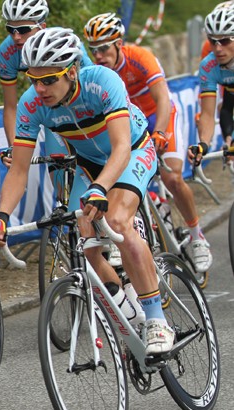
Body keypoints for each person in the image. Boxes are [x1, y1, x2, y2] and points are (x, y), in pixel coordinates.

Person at [0, 27, 174, 355]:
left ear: (72, 72)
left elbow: (120, 148)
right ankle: (129, 316)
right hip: (89, 165)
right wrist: (2, 215)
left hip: (132, 151)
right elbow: (18, 169)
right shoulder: (32, 105)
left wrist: (101, 188)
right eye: (33, 80)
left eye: (49, 80)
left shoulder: (102, 82)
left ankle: (157, 320)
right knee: (84, 245)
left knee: (116, 221)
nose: (39, 89)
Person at [84, 12, 213, 273]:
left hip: (156, 116)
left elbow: (163, 99)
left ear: (119, 43)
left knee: (173, 178)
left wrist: (162, 132)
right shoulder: (94, 73)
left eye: (104, 48)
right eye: (93, 49)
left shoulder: (140, 58)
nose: (98, 55)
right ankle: (148, 214)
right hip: (127, 125)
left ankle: (196, 235)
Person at [0, 0, 93, 164]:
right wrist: (14, 148)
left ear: (42, 26)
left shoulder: (66, 42)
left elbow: (91, 84)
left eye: (23, 30)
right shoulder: (7, 51)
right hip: (53, 109)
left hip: (82, 105)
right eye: (10, 30)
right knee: (58, 168)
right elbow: (11, 107)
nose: (16, 37)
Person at [191, 5, 234, 173]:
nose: (217, 49)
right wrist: (203, 144)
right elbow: (208, 114)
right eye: (212, 41)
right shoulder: (208, 65)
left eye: (224, 41)